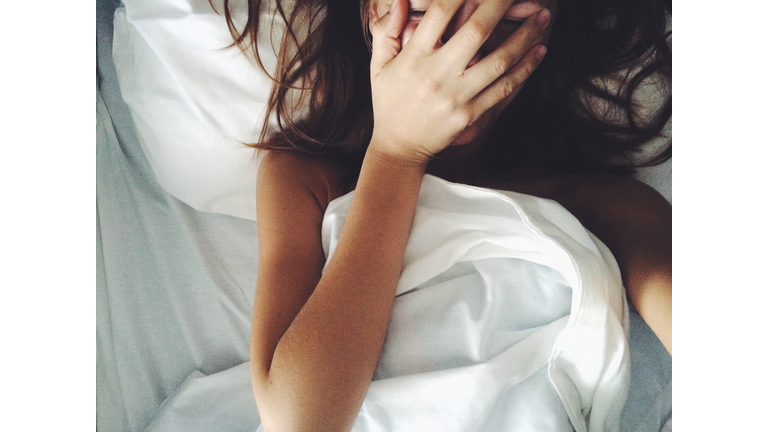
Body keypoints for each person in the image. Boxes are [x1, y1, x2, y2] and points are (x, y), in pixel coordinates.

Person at [212, 0, 671, 430]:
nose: (463, 50)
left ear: (544, 32)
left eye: (505, 19)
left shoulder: (604, 205)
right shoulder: (305, 179)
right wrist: (396, 153)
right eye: (426, 12)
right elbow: (299, 419)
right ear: (373, 11)